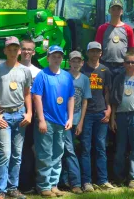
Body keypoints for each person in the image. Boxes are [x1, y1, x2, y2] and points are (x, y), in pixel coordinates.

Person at [0, 36, 32, 199]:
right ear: (5, 51)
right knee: (5, 153)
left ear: (20, 51)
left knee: (17, 154)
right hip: (3, 115)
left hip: (20, 115)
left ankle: (13, 188)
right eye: (10, 49)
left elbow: (27, 94)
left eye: (16, 49)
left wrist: (29, 113)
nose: (13, 52)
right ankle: (0, 190)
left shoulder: (25, 71)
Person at [31, 45, 74, 197]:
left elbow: (70, 97)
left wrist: (70, 118)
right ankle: (43, 186)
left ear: (62, 58)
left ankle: (53, 184)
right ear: (48, 58)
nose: (57, 59)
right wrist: (41, 119)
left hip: (61, 122)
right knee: (45, 154)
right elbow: (36, 97)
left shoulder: (67, 76)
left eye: (59, 56)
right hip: (47, 121)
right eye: (53, 56)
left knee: (58, 154)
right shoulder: (42, 75)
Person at [110, 53, 134, 188]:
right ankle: (119, 178)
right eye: (127, 62)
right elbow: (114, 101)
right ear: (124, 63)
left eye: (133, 62)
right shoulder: (119, 79)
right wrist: (113, 118)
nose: (130, 65)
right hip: (120, 115)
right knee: (120, 148)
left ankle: (133, 178)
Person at [79, 42, 114, 192]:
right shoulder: (82, 69)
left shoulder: (105, 70)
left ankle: (103, 180)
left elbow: (107, 92)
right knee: (85, 148)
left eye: (97, 51)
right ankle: (86, 181)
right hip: (86, 114)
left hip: (101, 113)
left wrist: (109, 110)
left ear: (101, 53)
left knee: (101, 147)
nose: (94, 54)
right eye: (92, 51)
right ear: (87, 53)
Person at [60, 51, 91, 194]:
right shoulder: (64, 76)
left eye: (78, 61)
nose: (76, 64)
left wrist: (80, 122)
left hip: (77, 119)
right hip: (64, 119)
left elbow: (84, 102)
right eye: (73, 61)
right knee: (68, 150)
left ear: (82, 63)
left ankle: (69, 180)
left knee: (70, 149)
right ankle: (74, 182)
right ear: (69, 62)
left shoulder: (84, 79)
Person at [18, 39, 41, 193]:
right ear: (20, 50)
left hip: (33, 115)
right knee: (19, 148)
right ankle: (21, 183)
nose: (26, 52)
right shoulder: (13, 68)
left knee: (31, 148)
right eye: (24, 49)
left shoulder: (38, 73)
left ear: (34, 52)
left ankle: (31, 182)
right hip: (17, 113)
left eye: (29, 49)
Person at [95, 0, 134, 76]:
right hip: (105, 64)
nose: (116, 12)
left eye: (118, 9)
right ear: (109, 11)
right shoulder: (102, 28)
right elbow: (97, 48)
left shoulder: (128, 29)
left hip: (122, 65)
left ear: (122, 11)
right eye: (113, 9)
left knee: (120, 87)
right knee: (106, 87)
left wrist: (130, 65)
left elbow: (131, 49)